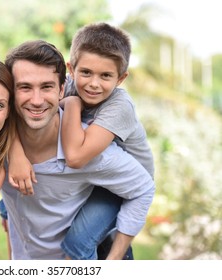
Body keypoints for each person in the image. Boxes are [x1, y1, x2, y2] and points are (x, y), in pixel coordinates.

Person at [1, 39, 155, 259]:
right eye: (24, 87)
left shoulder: (111, 120)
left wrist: (113, 259)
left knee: (79, 243)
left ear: (61, 88)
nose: (36, 100)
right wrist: (14, 151)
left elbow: (76, 158)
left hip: (118, 186)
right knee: (9, 206)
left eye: (46, 87)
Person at [59, 22, 155, 260]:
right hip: (97, 174)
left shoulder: (119, 106)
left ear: (121, 78)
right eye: (86, 72)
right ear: (71, 69)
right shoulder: (66, 86)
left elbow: (76, 157)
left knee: (78, 243)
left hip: (124, 187)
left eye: (106, 76)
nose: (93, 83)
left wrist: (71, 104)